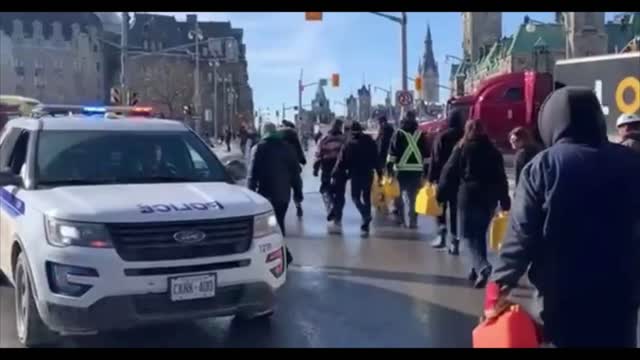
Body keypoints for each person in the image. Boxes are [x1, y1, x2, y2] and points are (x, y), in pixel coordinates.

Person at [488, 87, 640, 347]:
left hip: (563, 295)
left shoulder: (542, 167)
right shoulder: (631, 162)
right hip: (621, 292)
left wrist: (499, 285)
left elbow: (521, 235)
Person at [437, 119, 510, 288]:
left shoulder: (462, 148)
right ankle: (475, 270)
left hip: (469, 196)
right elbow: (501, 177)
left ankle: (482, 267)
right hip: (489, 198)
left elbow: (448, 172)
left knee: (467, 237)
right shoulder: (494, 151)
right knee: (479, 235)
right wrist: (504, 199)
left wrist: (441, 194)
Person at [247, 122, 303, 266]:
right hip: (283, 196)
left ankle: (282, 254)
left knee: (272, 227)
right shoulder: (288, 148)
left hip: (266, 197)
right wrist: (298, 193)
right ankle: (283, 253)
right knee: (278, 223)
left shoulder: (258, 148)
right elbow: (296, 174)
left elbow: (252, 175)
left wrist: (249, 196)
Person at [333, 122, 381, 236]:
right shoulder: (370, 141)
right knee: (366, 197)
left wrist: (335, 171)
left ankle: (365, 215)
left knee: (355, 197)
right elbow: (376, 157)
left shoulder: (349, 143)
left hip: (355, 174)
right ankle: (366, 223)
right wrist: (380, 173)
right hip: (368, 173)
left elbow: (341, 160)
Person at [427, 109, 465, 254]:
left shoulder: (442, 137)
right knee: (455, 211)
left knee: (440, 209)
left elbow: (435, 160)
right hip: (460, 180)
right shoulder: (465, 137)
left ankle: (441, 236)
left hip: (443, 179)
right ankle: (455, 241)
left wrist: (430, 178)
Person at [386, 110, 430, 228]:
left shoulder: (398, 134)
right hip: (416, 173)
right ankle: (413, 222)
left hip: (400, 172)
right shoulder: (420, 134)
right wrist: (426, 173)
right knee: (413, 199)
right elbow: (426, 156)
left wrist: (389, 172)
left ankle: (401, 220)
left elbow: (392, 155)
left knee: (398, 197)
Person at [313, 119, 346, 233]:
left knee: (325, 189)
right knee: (340, 193)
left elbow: (318, 155)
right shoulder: (344, 139)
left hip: (327, 167)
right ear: (340, 127)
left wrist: (315, 169)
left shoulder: (324, 139)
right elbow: (349, 154)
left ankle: (330, 208)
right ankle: (338, 217)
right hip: (341, 169)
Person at [280, 120, 307, 218]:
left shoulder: (278, 136)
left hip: (281, 167)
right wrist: (303, 160)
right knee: (297, 185)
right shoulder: (293, 135)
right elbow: (299, 149)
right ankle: (298, 203)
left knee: (282, 186)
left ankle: (282, 206)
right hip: (293, 165)